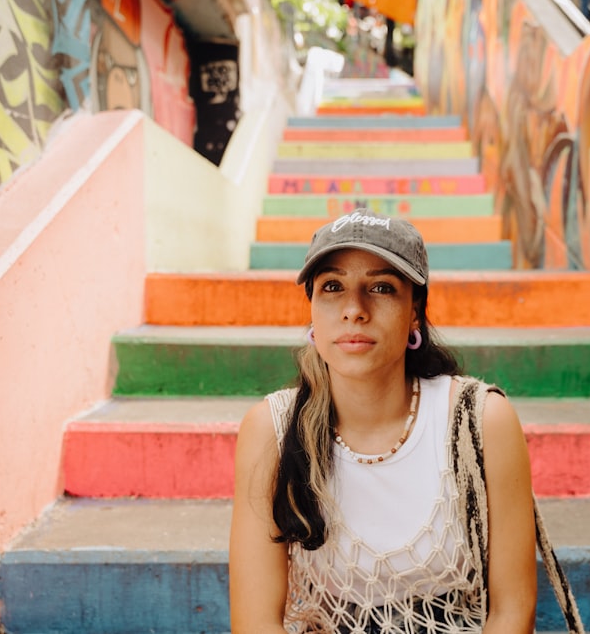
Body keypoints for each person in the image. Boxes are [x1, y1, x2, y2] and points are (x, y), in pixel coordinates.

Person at [229, 208, 538, 633]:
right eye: (333, 287)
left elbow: (512, 612)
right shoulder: (273, 430)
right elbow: (256, 622)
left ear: (415, 312)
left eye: (381, 287)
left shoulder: (479, 421)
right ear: (313, 315)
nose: (354, 309)